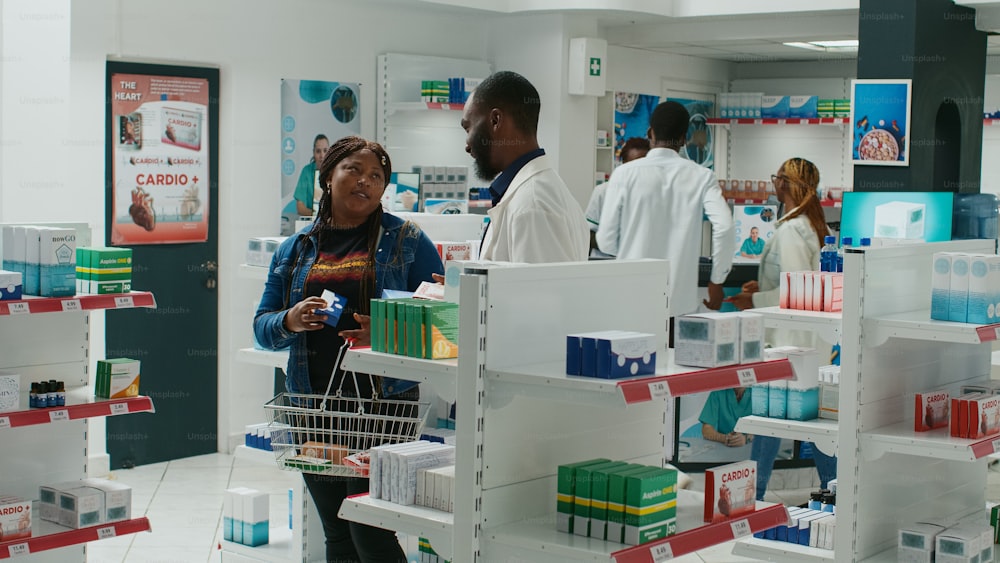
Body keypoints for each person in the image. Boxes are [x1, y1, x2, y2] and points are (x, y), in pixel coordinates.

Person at [254, 136, 443, 562]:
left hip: (383, 408)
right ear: (327, 176)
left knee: (370, 530)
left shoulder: (407, 240)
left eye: (377, 176)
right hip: (312, 406)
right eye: (354, 170)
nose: (365, 181)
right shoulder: (295, 249)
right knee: (336, 534)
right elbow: (262, 328)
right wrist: (291, 318)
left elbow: (446, 322)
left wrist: (391, 329)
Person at [724, 157, 836, 500]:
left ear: (785, 185)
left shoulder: (791, 231)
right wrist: (758, 291)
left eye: (776, 179)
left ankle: (753, 495)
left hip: (788, 342)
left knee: (771, 418)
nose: (773, 185)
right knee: (807, 423)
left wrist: (753, 302)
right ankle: (834, 488)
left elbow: (795, 292)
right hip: (808, 344)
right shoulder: (813, 227)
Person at [596, 101, 735, 317]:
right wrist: (717, 280)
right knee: (675, 352)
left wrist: (631, 252)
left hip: (631, 300)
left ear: (650, 133)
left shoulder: (624, 174)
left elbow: (605, 240)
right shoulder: (702, 176)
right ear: (684, 138)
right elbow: (725, 227)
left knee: (632, 352)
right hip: (679, 304)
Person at [460, 70, 589, 263]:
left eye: (468, 128)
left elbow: (540, 292)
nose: (467, 145)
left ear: (495, 120)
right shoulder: (536, 192)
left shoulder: (532, 204)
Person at [586, 137, 650, 257]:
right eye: (631, 165)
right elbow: (588, 234)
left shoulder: (653, 195)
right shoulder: (603, 192)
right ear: (622, 165)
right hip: (606, 262)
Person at [294, 134, 330, 216]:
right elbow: (300, 207)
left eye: (325, 151)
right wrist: (317, 215)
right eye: (318, 151)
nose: (322, 155)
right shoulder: (306, 171)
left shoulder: (335, 172)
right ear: (313, 153)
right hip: (312, 221)